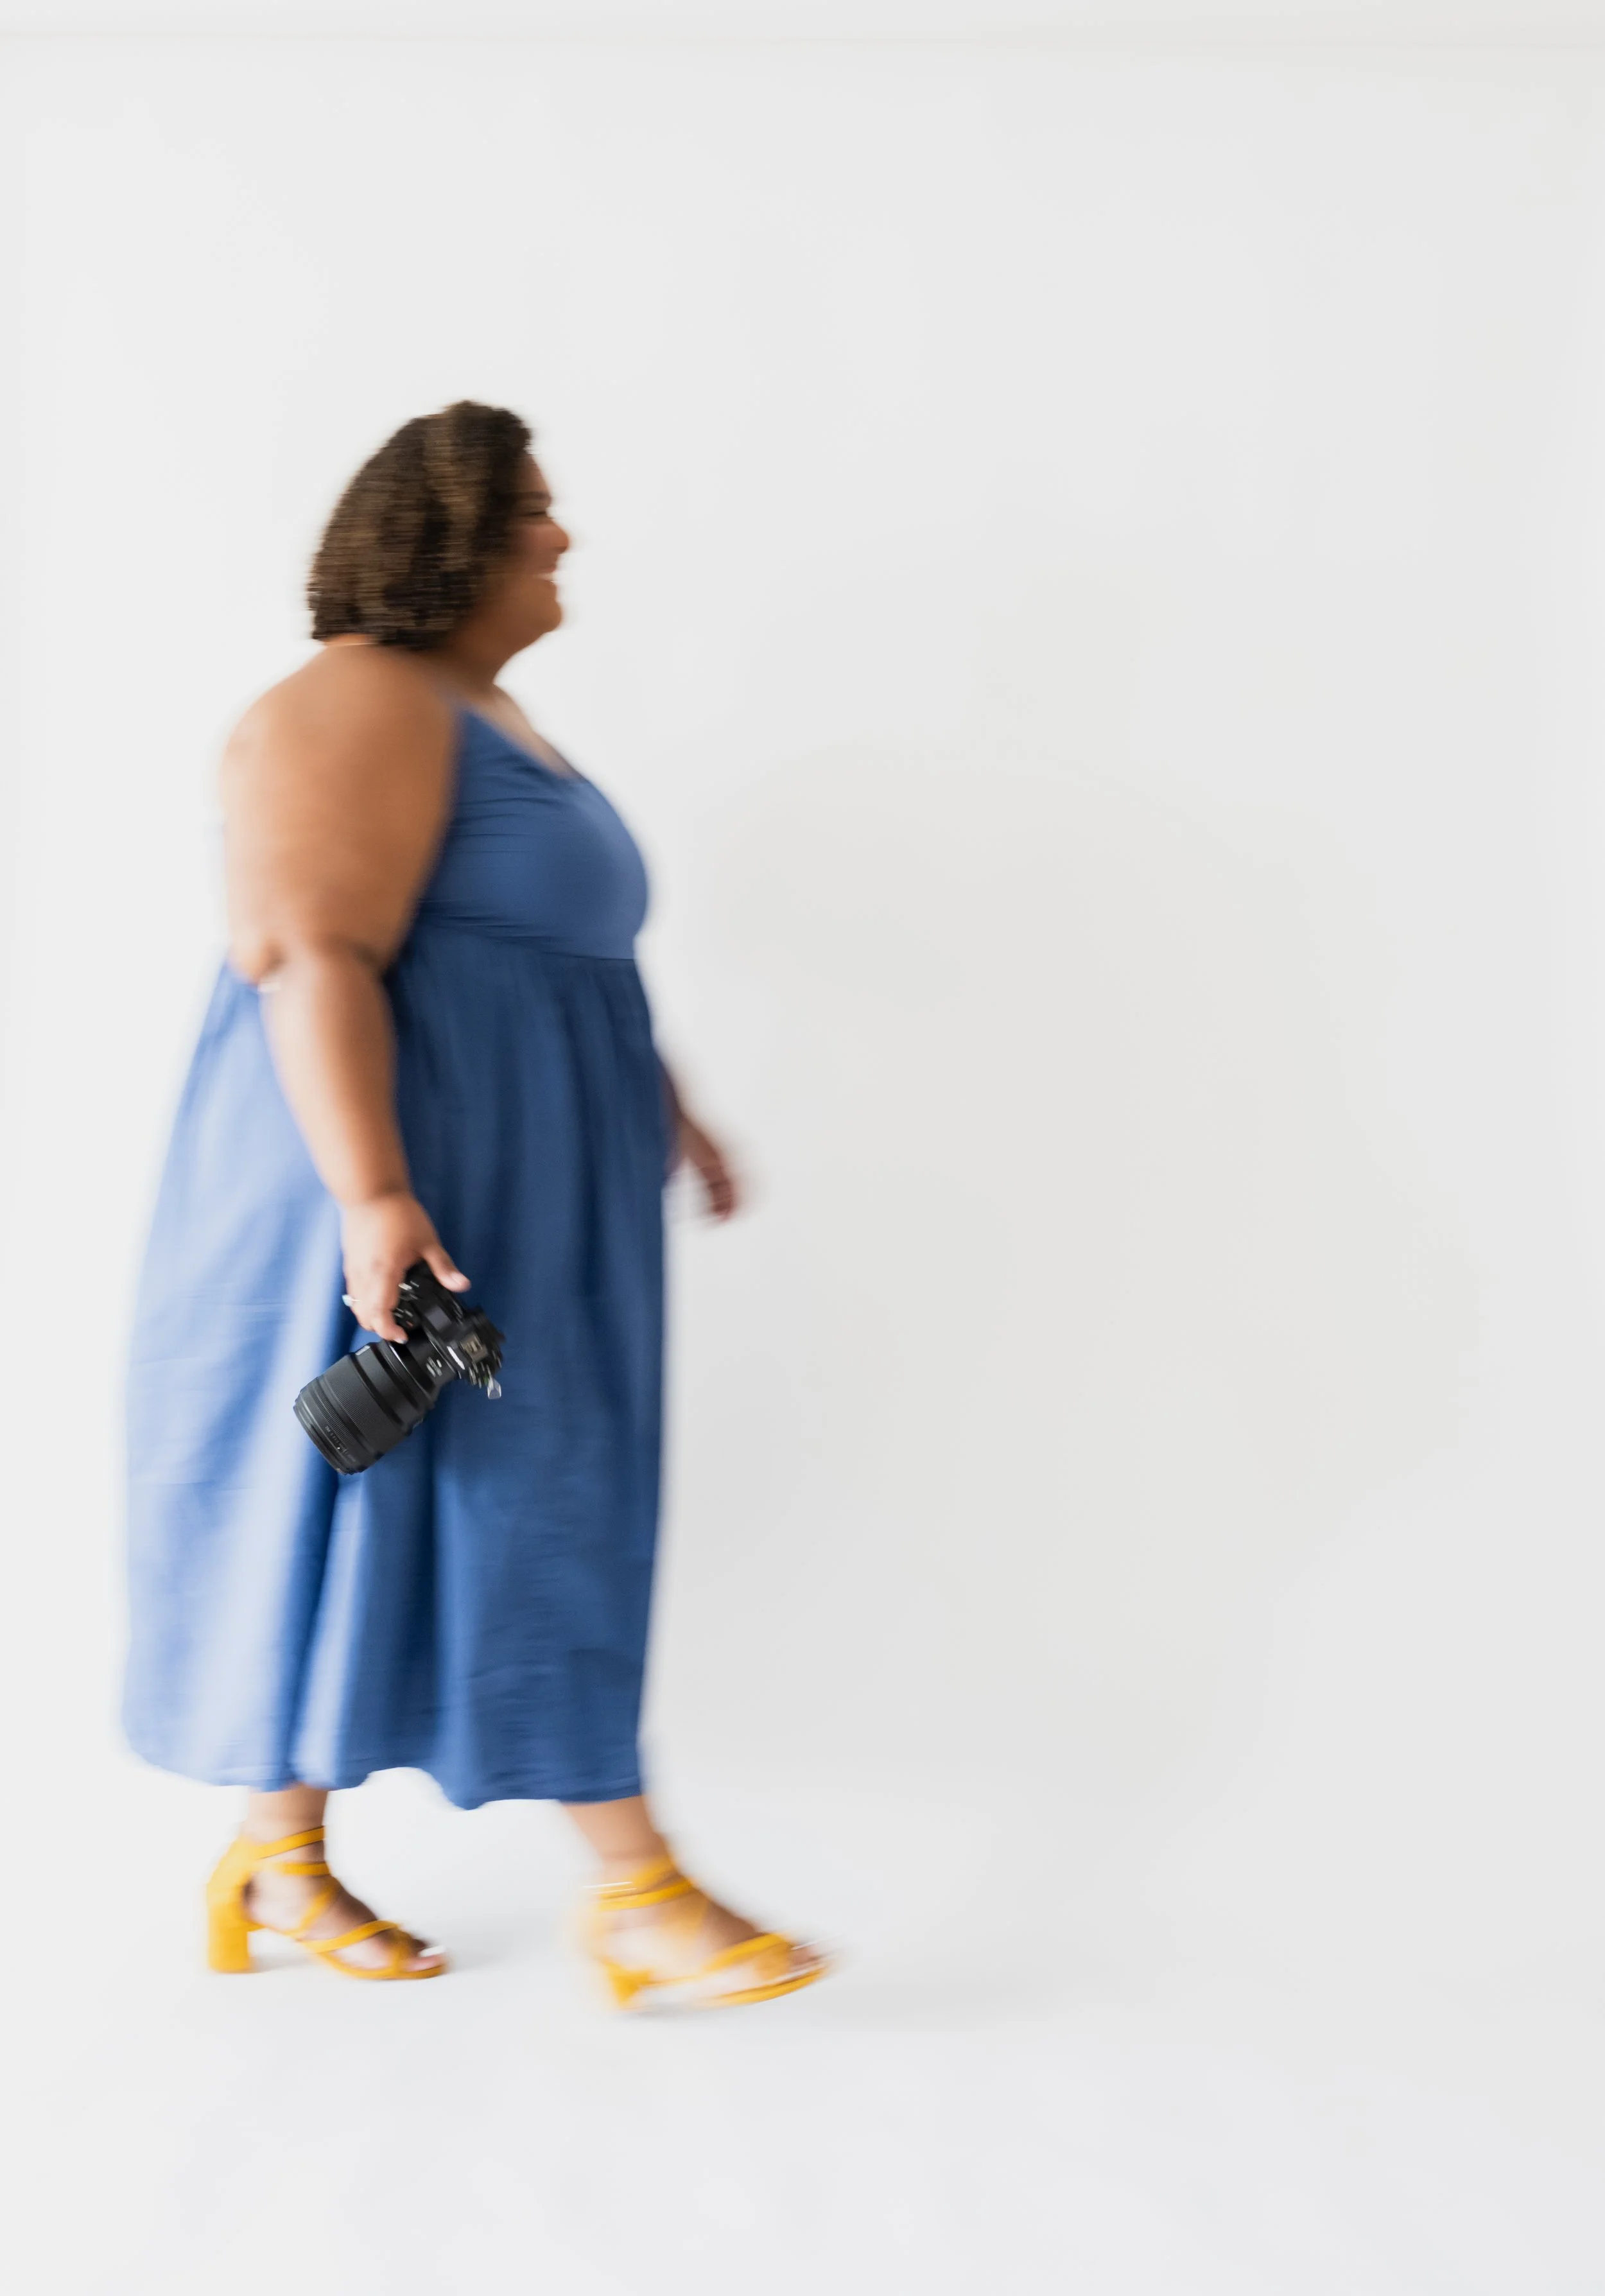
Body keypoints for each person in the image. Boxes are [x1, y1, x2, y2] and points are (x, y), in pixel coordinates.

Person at [122, 399, 829, 2007]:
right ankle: (636, 1892)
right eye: (530, 512)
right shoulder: (361, 697)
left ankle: (277, 1861)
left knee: (433, 1490)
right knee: (492, 1484)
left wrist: (664, 1105)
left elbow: (555, 958)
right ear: (446, 535)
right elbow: (309, 949)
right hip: (397, 1179)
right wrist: (374, 1195)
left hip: (524, 1178)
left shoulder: (479, 712)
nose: (559, 537)